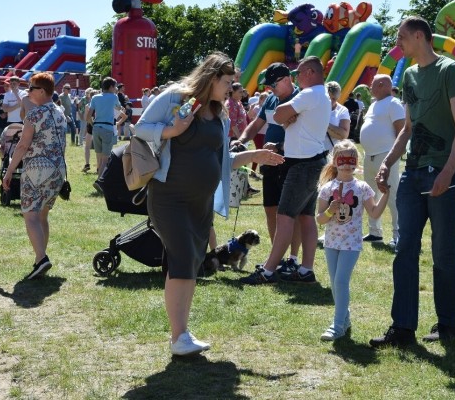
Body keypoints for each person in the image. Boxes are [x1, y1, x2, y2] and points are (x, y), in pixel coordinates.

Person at [135, 52, 284, 356]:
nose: (231, 88)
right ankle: (179, 337)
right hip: (169, 198)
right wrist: (171, 131)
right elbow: (140, 127)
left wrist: (253, 157)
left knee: (191, 262)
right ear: (211, 77)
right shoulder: (177, 97)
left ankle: (182, 334)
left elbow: (221, 159)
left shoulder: (219, 111)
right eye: (228, 82)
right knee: (182, 258)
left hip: (199, 204)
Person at [370, 16, 455, 348]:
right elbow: (408, 128)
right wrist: (388, 161)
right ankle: (402, 328)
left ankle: (448, 325)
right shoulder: (409, 74)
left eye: (401, 37)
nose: (397, 43)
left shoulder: (449, 70)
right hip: (413, 175)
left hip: (444, 174)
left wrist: (447, 170)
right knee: (404, 249)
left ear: (418, 36)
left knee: (443, 251)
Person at [241, 55, 332, 286]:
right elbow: (288, 120)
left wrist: (289, 115)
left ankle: (269, 271)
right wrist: (291, 118)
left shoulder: (309, 93)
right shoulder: (321, 95)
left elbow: (280, 115)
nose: (297, 77)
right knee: (306, 217)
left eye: (299, 73)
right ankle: (305, 270)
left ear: (310, 73)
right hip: (315, 161)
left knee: (284, 217)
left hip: (301, 165)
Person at [317, 140, 391, 341]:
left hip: (351, 244)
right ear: (335, 162)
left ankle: (337, 325)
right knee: (335, 284)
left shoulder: (363, 187)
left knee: (341, 281)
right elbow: (320, 219)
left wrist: (385, 195)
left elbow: (374, 213)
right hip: (331, 243)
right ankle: (345, 319)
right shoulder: (327, 188)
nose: (348, 164)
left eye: (352, 160)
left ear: (357, 162)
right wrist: (331, 209)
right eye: (343, 160)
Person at [2, 72, 67, 279]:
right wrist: (25, 102)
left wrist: (9, 170)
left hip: (38, 170)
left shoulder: (34, 115)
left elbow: (22, 145)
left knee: (30, 215)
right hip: (58, 171)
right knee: (42, 216)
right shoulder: (59, 112)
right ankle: (41, 258)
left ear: (41, 91)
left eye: (30, 88)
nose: (27, 91)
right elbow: (30, 113)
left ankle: (41, 258)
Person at [238, 63, 302, 271]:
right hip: (270, 162)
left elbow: (302, 133)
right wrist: (242, 140)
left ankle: (292, 259)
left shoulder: (300, 99)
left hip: (293, 162)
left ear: (286, 80)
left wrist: (280, 146)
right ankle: (277, 256)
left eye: (272, 85)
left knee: (292, 212)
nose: (270, 89)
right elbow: (256, 124)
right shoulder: (272, 99)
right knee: (270, 208)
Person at [360, 74, 404, 247]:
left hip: (386, 156)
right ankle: (374, 232)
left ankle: (398, 235)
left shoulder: (393, 103)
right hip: (369, 156)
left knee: (391, 195)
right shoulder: (374, 104)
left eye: (372, 84)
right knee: (370, 194)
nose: (370, 87)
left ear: (380, 85)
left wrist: (392, 157)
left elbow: (402, 130)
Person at [88, 78, 123, 176]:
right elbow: (119, 108)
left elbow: (88, 116)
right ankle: (100, 180)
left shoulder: (95, 97)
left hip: (96, 128)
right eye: (115, 86)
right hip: (107, 128)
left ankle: (99, 176)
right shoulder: (114, 97)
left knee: (99, 156)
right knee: (105, 158)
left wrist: (93, 125)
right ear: (111, 87)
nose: (116, 88)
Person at [325, 81, 351, 148]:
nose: (330, 101)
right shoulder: (316, 107)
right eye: (328, 98)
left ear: (338, 97)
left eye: (334, 99)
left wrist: (324, 124)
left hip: (330, 152)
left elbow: (344, 135)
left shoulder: (343, 110)